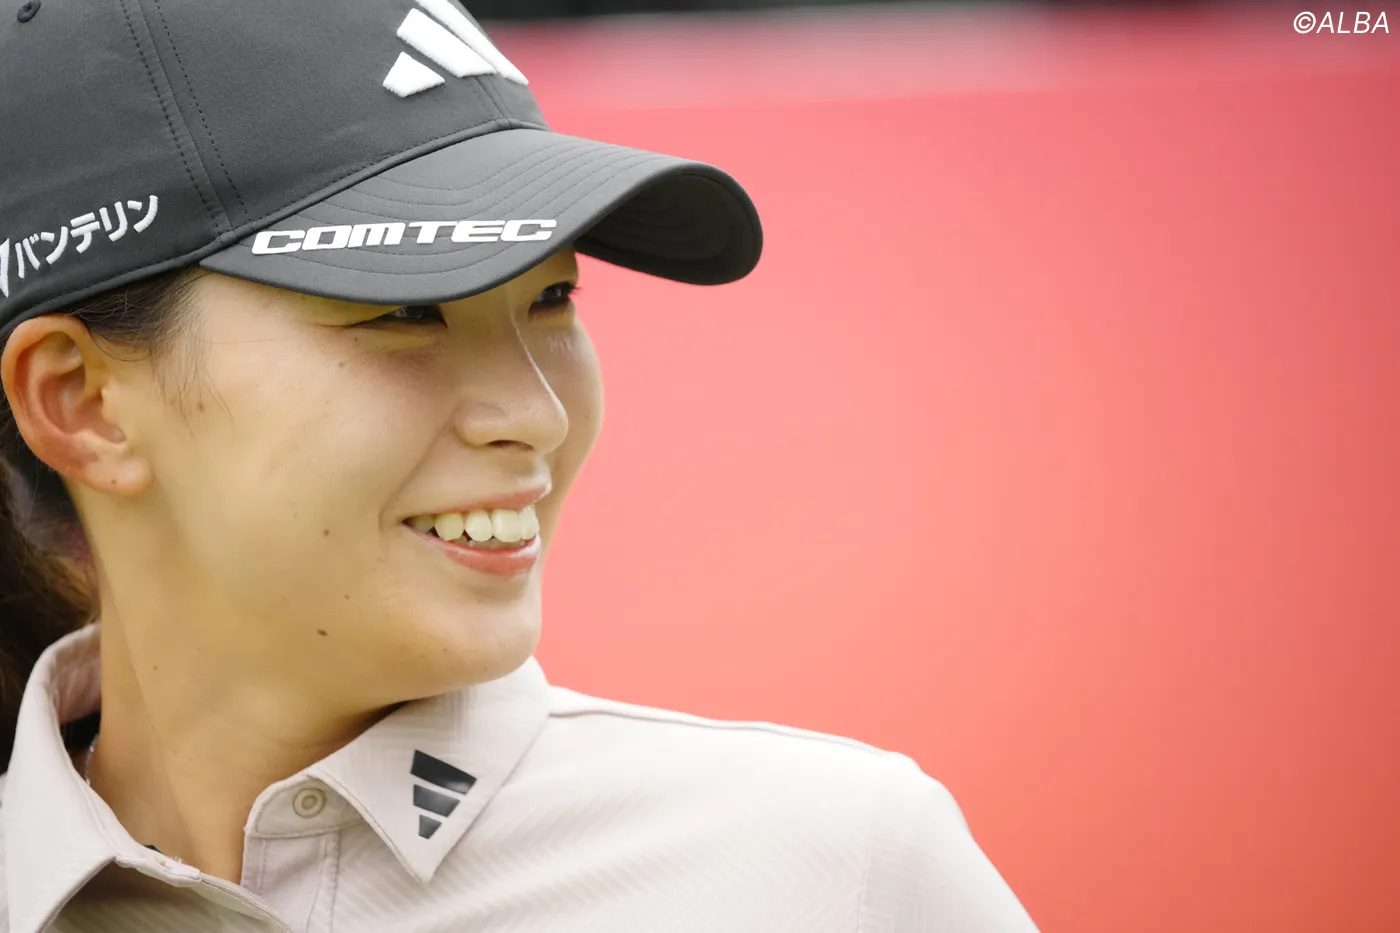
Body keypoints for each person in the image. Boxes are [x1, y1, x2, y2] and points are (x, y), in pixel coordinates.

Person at [0, 2, 1040, 931]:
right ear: (81, 402)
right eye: (404, 310)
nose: (537, 416)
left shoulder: (833, 873)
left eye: (552, 298)